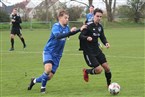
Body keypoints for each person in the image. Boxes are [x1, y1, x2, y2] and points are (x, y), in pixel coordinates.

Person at [27, 10, 86, 93]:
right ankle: (43, 88)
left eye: (68, 18)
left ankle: (34, 81)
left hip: (58, 55)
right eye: (65, 18)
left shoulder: (67, 27)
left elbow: (69, 34)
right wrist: (71, 32)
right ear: (60, 18)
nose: (67, 19)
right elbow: (58, 36)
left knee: (49, 77)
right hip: (49, 51)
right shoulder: (56, 26)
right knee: (48, 69)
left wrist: (77, 30)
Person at [79, 8, 112, 87]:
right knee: (99, 70)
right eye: (97, 16)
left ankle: (109, 85)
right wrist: (87, 38)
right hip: (89, 52)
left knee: (107, 68)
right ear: (93, 15)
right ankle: (86, 71)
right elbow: (80, 36)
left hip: (97, 50)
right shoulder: (88, 26)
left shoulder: (100, 27)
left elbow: (102, 37)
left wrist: (106, 43)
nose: (99, 18)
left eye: (101, 17)